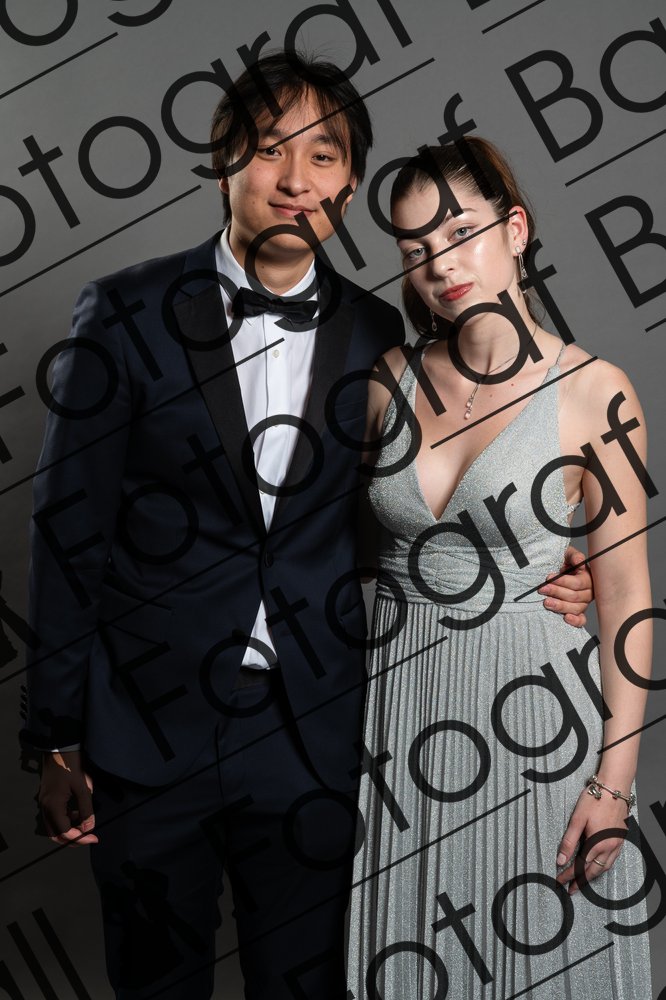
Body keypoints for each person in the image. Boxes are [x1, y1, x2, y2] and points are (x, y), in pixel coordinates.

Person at [21, 52, 592, 1000]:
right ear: (224, 165)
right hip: (145, 730)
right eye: (268, 149)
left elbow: (407, 518)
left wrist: (545, 562)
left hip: (315, 732)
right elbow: (66, 530)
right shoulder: (125, 312)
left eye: (322, 156)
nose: (295, 179)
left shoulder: (380, 341)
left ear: (350, 186)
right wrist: (54, 738)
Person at [347, 138, 653, 998]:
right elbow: (340, 551)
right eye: (416, 248)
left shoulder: (596, 391)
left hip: (536, 724)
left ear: (515, 230)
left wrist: (614, 785)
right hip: (399, 721)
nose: (441, 264)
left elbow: (628, 597)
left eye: (460, 233)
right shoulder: (385, 380)